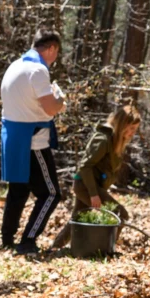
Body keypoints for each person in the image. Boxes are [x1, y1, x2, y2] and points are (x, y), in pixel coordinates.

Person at [0, 30, 67, 255]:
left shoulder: (15, 65)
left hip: (13, 138)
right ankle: (28, 239)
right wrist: (61, 100)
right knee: (50, 194)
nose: (55, 58)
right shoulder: (38, 70)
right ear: (51, 49)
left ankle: (7, 238)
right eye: (55, 53)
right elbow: (50, 107)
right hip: (33, 140)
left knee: (18, 191)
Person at [51, 105, 140, 250]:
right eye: (130, 128)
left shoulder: (114, 140)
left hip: (90, 186)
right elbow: (85, 166)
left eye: (134, 129)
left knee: (77, 219)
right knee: (120, 214)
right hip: (85, 186)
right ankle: (105, 249)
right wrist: (93, 194)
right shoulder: (103, 139)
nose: (132, 133)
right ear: (121, 124)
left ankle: (54, 248)